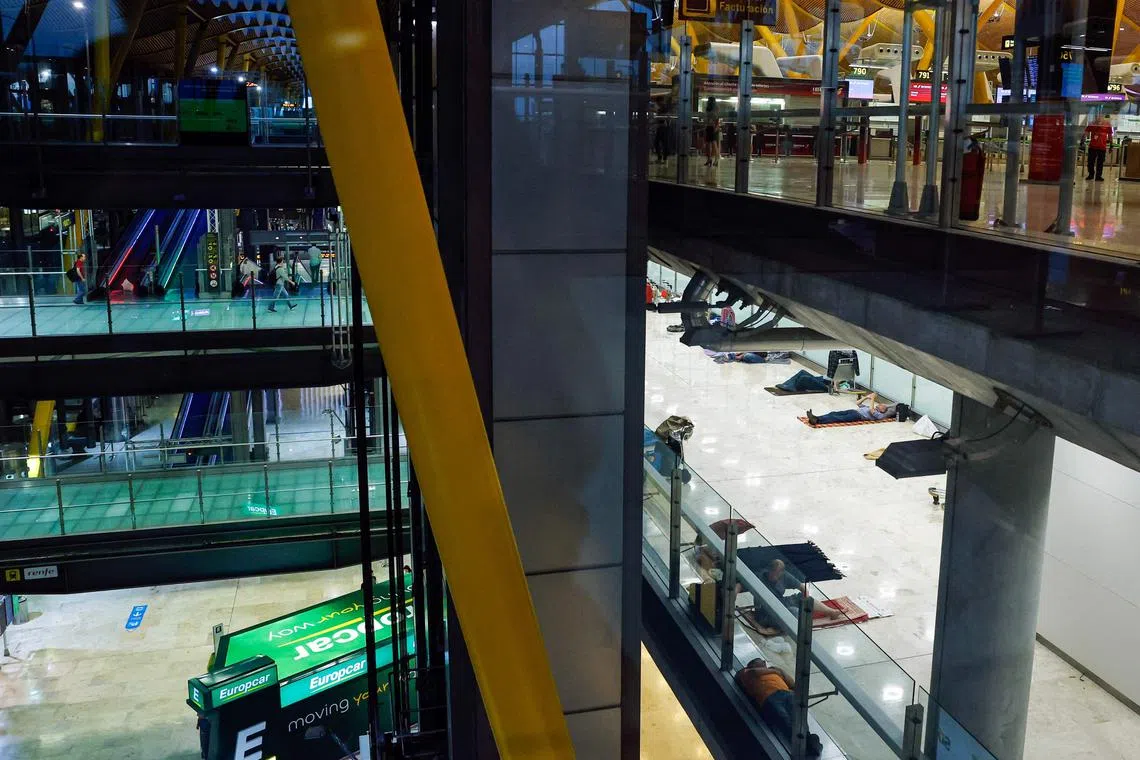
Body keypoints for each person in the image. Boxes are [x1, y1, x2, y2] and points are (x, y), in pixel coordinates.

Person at [736, 658, 823, 756]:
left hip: (785, 693)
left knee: (798, 717)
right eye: (756, 663)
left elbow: (793, 684)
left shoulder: (775, 671)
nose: (762, 663)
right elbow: (753, 672)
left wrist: (779, 672)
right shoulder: (747, 673)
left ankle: (807, 741)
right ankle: (810, 742)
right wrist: (776, 671)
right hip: (769, 696)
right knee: (784, 719)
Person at [806, 392, 896, 426]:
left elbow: (872, 411)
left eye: (882, 406)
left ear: (883, 410)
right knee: (833, 413)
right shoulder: (871, 407)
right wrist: (866, 397)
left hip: (857, 416)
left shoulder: (880, 415)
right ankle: (816, 417)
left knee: (838, 419)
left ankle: (818, 421)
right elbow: (858, 403)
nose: (881, 404)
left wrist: (872, 398)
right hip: (853, 411)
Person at [1085, 114, 1113, 182]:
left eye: (1100, 116)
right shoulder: (1092, 124)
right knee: (1090, 162)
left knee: (1100, 162)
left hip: (1102, 147)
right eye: (1097, 116)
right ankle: (1091, 174)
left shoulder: (1107, 124)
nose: (1099, 117)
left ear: (1103, 116)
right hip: (1092, 146)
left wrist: (1111, 146)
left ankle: (1098, 176)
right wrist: (1082, 140)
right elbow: (1086, 132)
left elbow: (1110, 135)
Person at [704, 97, 721, 167]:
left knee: (713, 144)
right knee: (709, 145)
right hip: (709, 127)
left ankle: (715, 160)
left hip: (713, 127)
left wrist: (716, 128)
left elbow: (717, 119)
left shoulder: (714, 108)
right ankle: (709, 159)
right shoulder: (710, 108)